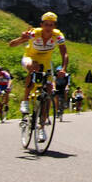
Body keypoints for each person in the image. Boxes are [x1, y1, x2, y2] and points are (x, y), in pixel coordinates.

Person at [8, 13, 68, 141]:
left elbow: (64, 53)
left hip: (45, 63)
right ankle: (24, 101)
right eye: (46, 24)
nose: (48, 27)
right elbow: (12, 44)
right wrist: (21, 38)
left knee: (48, 92)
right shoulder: (34, 33)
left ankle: (41, 127)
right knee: (33, 67)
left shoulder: (58, 35)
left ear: (54, 26)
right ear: (41, 25)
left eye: (51, 25)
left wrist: (63, 69)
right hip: (30, 58)